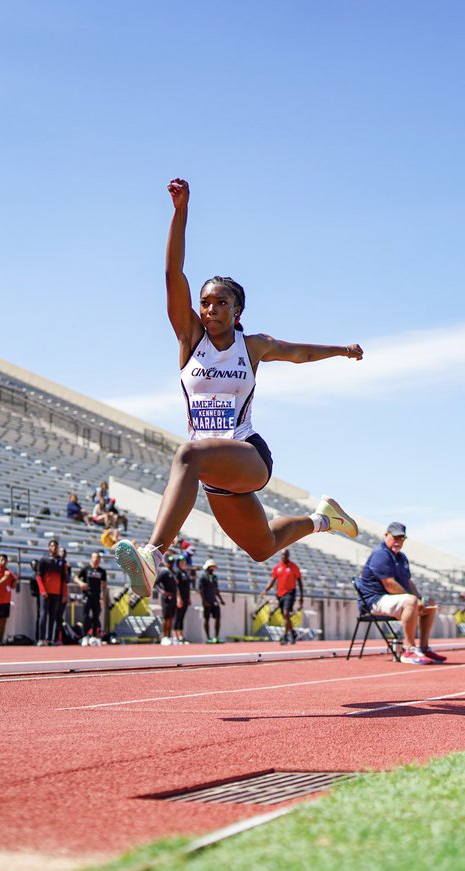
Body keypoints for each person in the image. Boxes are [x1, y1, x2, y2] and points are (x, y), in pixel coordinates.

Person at [113, 178, 363, 598]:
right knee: (262, 547)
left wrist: (341, 350)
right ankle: (324, 519)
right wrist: (180, 212)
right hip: (214, 472)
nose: (211, 309)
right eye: (206, 302)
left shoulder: (253, 346)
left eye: (221, 303)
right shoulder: (191, 340)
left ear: (237, 309)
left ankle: (153, 556)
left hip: (247, 454)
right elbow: (172, 272)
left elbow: (297, 352)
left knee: (187, 453)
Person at [357, 522, 444, 664]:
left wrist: (420, 600)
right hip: (374, 601)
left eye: (401, 538)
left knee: (430, 602)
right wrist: (414, 601)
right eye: (395, 537)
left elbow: (409, 582)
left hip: (392, 600)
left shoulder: (401, 557)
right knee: (411, 601)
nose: (398, 541)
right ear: (386, 535)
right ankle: (408, 649)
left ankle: (423, 648)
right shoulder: (381, 554)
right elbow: (389, 584)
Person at [261, 548, 304, 644]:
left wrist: (301, 597)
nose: (284, 556)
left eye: (286, 555)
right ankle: (293, 633)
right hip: (280, 594)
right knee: (285, 617)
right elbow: (272, 581)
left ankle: (285, 636)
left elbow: (300, 582)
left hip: (290, 593)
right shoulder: (277, 567)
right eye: (283, 555)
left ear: (288, 556)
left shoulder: (294, 567)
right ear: (280, 556)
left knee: (285, 614)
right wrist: (265, 590)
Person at [35, 539, 67, 646]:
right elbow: (38, 576)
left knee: (53, 616)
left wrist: (63, 594)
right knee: (43, 615)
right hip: (45, 593)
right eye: (52, 546)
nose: (54, 548)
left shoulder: (61, 562)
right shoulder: (43, 560)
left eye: (56, 546)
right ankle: (41, 638)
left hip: (56, 593)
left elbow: (64, 580)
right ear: (49, 547)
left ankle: (50, 638)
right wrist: (42, 590)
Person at [74, 551, 109, 645]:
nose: (96, 559)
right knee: (85, 616)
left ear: (100, 559)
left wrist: (103, 598)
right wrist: (81, 583)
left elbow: (104, 586)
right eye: (94, 557)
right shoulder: (86, 569)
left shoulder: (102, 571)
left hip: (97, 596)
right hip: (87, 595)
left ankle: (94, 636)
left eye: (98, 558)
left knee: (96, 617)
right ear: (91, 558)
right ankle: (85, 636)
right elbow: (76, 578)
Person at [0, 553, 17, 646]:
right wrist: (4, 578)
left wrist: (15, 580)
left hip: (6, 601)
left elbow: (12, 586)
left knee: (3, 623)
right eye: (1, 560)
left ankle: (0, 640)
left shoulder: (9, 572)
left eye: (5, 560)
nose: (3, 562)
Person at [197, 559, 225, 643]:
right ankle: (208, 637)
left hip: (214, 600)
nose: (213, 568)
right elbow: (201, 590)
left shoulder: (215, 577)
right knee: (207, 619)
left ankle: (216, 636)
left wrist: (221, 599)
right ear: (208, 567)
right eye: (212, 567)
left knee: (218, 618)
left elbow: (216, 590)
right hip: (207, 601)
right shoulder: (203, 577)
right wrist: (204, 601)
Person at [154, 557, 179, 646]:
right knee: (166, 617)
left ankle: (169, 636)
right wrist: (163, 592)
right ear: (166, 562)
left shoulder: (173, 572)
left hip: (173, 597)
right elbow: (156, 583)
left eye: (172, 562)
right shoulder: (163, 571)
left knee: (171, 617)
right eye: (170, 562)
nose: (171, 563)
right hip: (166, 598)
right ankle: (164, 636)